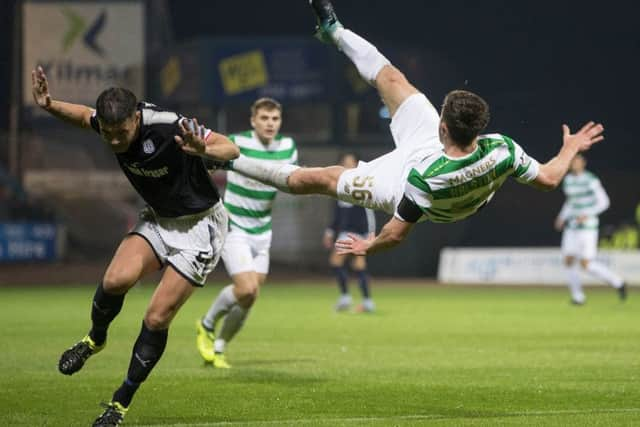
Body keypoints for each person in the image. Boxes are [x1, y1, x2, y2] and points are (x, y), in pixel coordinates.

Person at [208, 0, 606, 257]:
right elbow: (551, 178)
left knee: (318, 178)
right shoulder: (500, 148)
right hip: (436, 159)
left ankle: (226, 158)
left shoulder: (423, 180)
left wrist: (369, 245)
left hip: (398, 182)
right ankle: (334, 31)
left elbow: (397, 234)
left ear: (444, 128)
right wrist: (570, 147)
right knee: (393, 79)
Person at [31, 65, 239, 426]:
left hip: (200, 227)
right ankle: (95, 340)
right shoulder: (110, 122)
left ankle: (119, 403)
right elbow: (84, 116)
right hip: (159, 218)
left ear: (136, 118)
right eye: (108, 134)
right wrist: (48, 104)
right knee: (114, 281)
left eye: (121, 133)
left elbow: (231, 148)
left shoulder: (168, 124)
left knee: (156, 317)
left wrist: (202, 147)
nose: (114, 141)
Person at [196, 98, 298, 368]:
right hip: (234, 226)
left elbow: (292, 181)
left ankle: (219, 347)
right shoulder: (235, 142)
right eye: (264, 118)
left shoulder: (288, 147)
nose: (270, 124)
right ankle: (206, 324)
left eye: (275, 119)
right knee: (246, 287)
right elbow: (207, 163)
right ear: (253, 120)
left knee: (250, 296)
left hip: (263, 232)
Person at [555, 153, 627, 304]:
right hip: (572, 227)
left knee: (586, 264)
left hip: (588, 228)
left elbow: (604, 202)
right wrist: (562, 217)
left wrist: (587, 214)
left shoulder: (591, 180)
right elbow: (571, 202)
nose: (574, 164)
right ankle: (578, 297)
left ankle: (618, 282)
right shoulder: (567, 180)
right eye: (572, 161)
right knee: (568, 260)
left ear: (583, 163)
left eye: (577, 161)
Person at [323, 153, 376, 312]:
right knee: (357, 265)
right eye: (344, 163)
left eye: (350, 163)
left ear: (356, 166)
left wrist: (370, 234)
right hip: (346, 232)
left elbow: (369, 212)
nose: (347, 166)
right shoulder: (340, 187)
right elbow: (339, 215)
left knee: (339, 262)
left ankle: (348, 298)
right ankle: (366, 302)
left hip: (357, 232)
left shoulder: (361, 186)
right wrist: (330, 231)